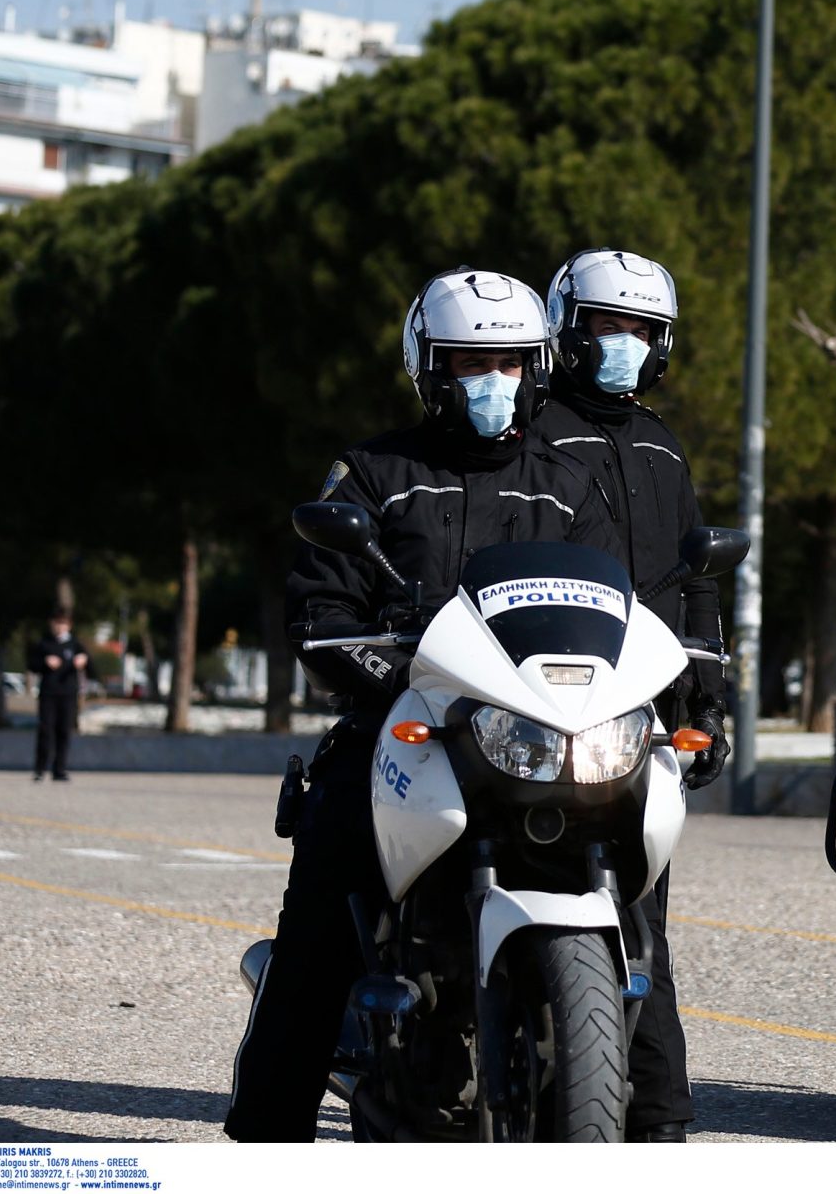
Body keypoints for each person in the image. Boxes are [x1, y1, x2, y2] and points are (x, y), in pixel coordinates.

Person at [224, 269, 615, 1144]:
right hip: (401, 730)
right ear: (430, 368)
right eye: (472, 362)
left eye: (511, 362)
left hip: (535, 735)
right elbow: (321, 614)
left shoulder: (570, 482)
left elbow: (612, 609)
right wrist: (395, 671)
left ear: (539, 366)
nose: (494, 379)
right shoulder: (374, 474)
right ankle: (266, 1137)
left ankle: (637, 1104)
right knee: (322, 915)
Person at [532, 248, 724, 1143]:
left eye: (643, 329)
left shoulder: (660, 443)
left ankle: (654, 1113)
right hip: (553, 700)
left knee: (639, 908)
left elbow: (697, 579)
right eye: (610, 325)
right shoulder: (533, 432)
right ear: (569, 329)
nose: (626, 343)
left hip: (645, 711)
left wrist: (707, 700)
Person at [28, 608, 90, 782]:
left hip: (68, 694)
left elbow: (91, 667)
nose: (59, 627)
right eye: (56, 623)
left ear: (69, 625)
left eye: (63, 623)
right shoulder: (44, 644)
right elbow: (32, 665)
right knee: (46, 730)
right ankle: (40, 769)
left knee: (64, 731)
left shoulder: (75, 645)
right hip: (48, 693)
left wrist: (83, 661)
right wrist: (45, 662)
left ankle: (60, 769)